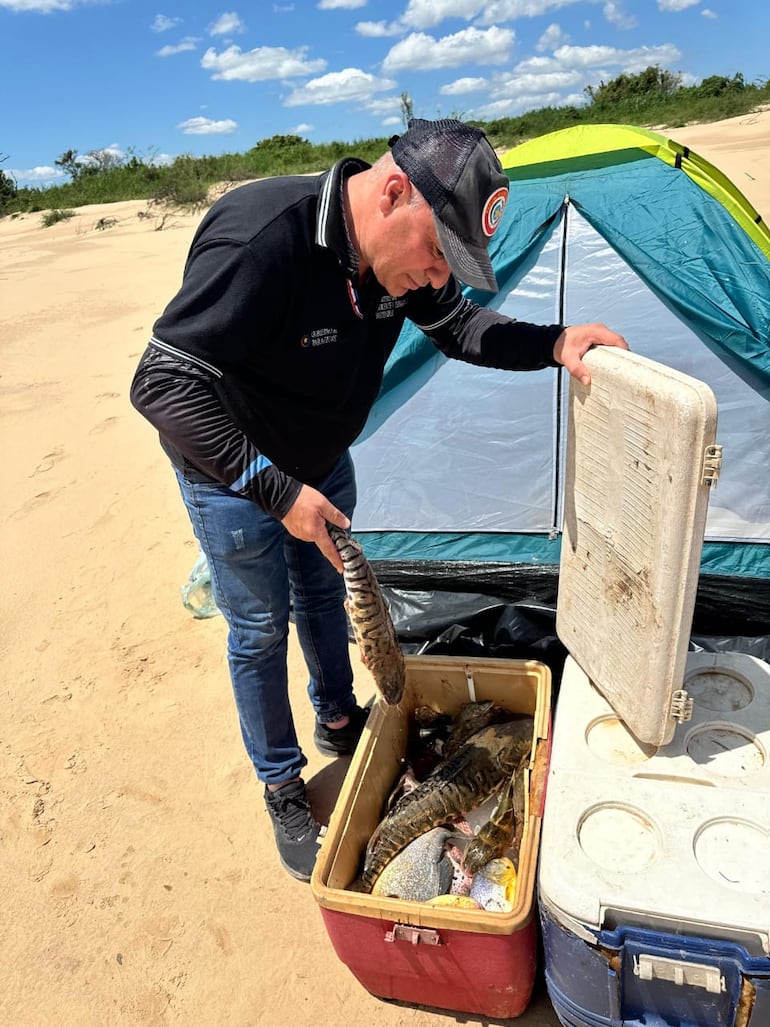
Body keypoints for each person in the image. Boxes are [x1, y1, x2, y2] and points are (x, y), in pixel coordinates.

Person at [130, 118, 627, 881]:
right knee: (259, 628)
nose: (436, 276)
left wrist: (554, 344)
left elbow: (459, 325)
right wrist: (273, 488)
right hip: (233, 474)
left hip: (321, 465)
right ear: (395, 191)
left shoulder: (397, 263)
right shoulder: (265, 239)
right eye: (436, 252)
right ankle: (281, 784)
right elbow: (160, 382)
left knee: (325, 597)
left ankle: (337, 716)